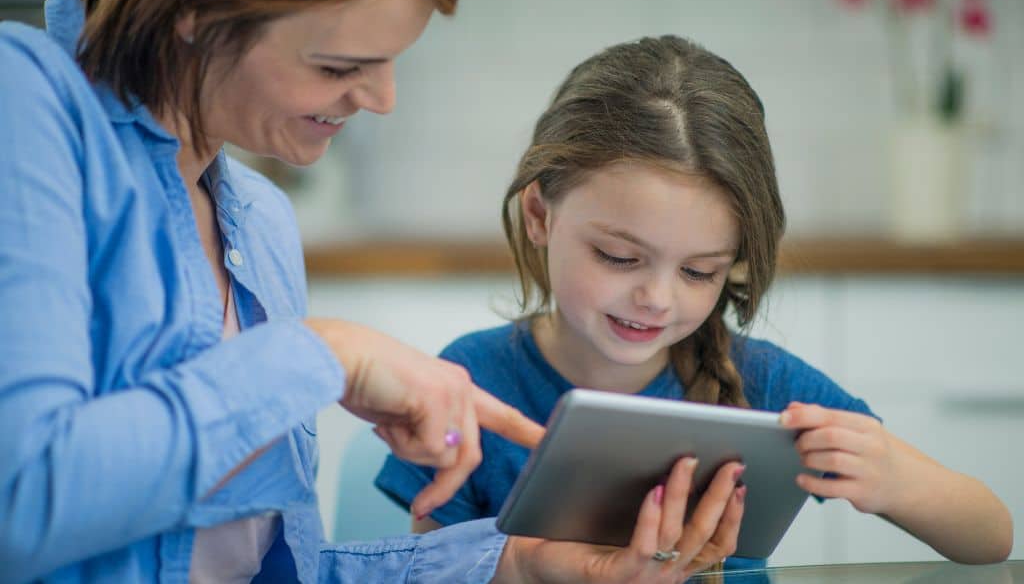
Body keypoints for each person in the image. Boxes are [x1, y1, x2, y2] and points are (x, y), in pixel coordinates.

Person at [0, 0, 748, 583]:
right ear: (196, 7)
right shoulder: (25, 105)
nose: (381, 99)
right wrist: (324, 354)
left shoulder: (257, 223)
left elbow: (266, 569)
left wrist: (521, 565)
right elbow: (20, 502)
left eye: (391, 61)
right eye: (338, 67)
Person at [375, 35, 1015, 571]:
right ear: (539, 214)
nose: (656, 298)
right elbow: (429, 570)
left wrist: (896, 481)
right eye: (619, 257)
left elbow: (991, 538)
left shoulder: (764, 386)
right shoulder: (471, 383)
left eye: (699, 271)